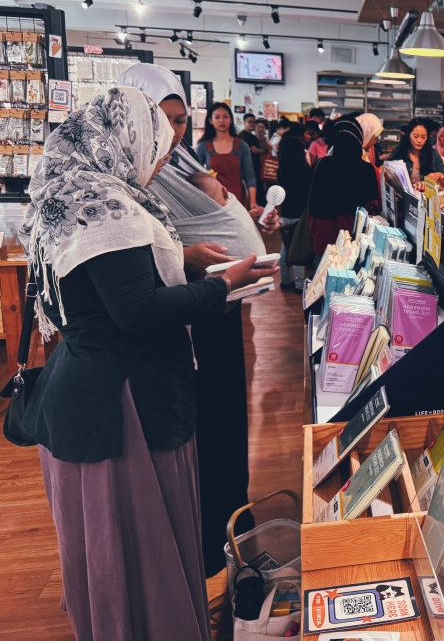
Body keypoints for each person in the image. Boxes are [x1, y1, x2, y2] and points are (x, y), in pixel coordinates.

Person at [19, 87, 279, 641]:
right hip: (120, 408)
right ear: (123, 140)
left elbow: (105, 282)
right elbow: (136, 310)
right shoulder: (106, 207)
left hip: (89, 395)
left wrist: (181, 258)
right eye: (156, 145)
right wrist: (220, 286)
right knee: (140, 541)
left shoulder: (74, 191)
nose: (161, 160)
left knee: (118, 545)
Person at [120, 65, 277, 580]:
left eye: (181, 120)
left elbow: (221, 206)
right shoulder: (124, 175)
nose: (171, 132)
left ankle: (230, 529)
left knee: (227, 425)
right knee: (198, 432)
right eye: (160, 119)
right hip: (180, 323)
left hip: (220, 310)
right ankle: (204, 544)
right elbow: (132, 257)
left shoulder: (179, 162)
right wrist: (183, 251)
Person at [308, 117, 381, 258]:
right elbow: (378, 203)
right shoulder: (369, 170)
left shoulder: (320, 165)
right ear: (359, 141)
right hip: (355, 246)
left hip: (324, 244)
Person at [195, 103, 257, 207]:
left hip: (238, 197)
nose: (221, 120)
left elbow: (250, 176)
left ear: (231, 120)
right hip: (213, 198)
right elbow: (195, 175)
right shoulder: (203, 146)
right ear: (210, 120)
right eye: (217, 117)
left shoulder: (241, 145)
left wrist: (253, 202)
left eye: (225, 117)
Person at [277, 125, 312, 291]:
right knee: (297, 247)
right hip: (299, 214)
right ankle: (299, 284)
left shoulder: (281, 171)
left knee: (286, 247)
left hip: (285, 213)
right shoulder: (304, 172)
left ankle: (284, 280)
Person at [389, 117, 444, 189]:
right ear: (408, 135)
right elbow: (386, 172)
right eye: (416, 136)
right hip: (403, 198)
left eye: (423, 137)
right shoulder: (399, 152)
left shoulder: (433, 154)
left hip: (427, 198)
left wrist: (439, 175)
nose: (419, 140)